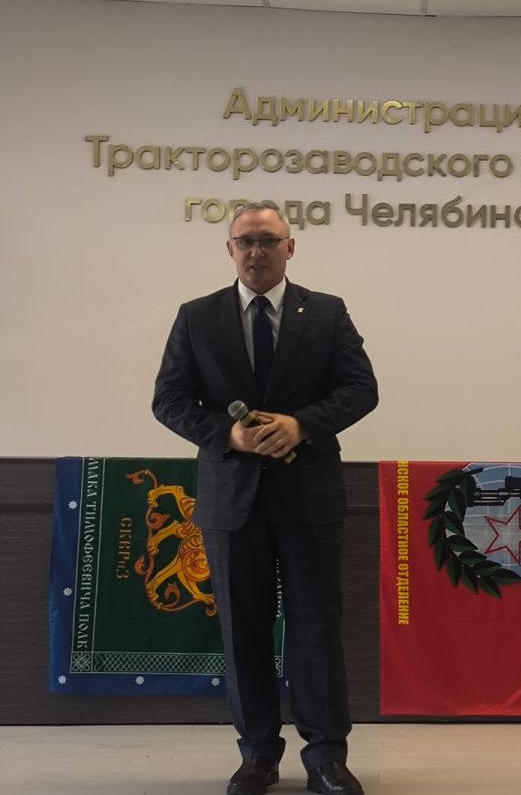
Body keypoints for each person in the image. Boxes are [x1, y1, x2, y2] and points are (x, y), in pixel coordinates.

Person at [153, 201, 378, 795]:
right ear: (230, 250)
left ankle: (326, 758)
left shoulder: (326, 312)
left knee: (316, 630)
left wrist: (303, 425)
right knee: (243, 632)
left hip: (309, 497)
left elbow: (362, 389)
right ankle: (257, 755)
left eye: (268, 241)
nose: (257, 251)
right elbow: (168, 399)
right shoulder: (196, 317)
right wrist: (226, 434)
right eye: (246, 241)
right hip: (232, 500)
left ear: (290, 247)